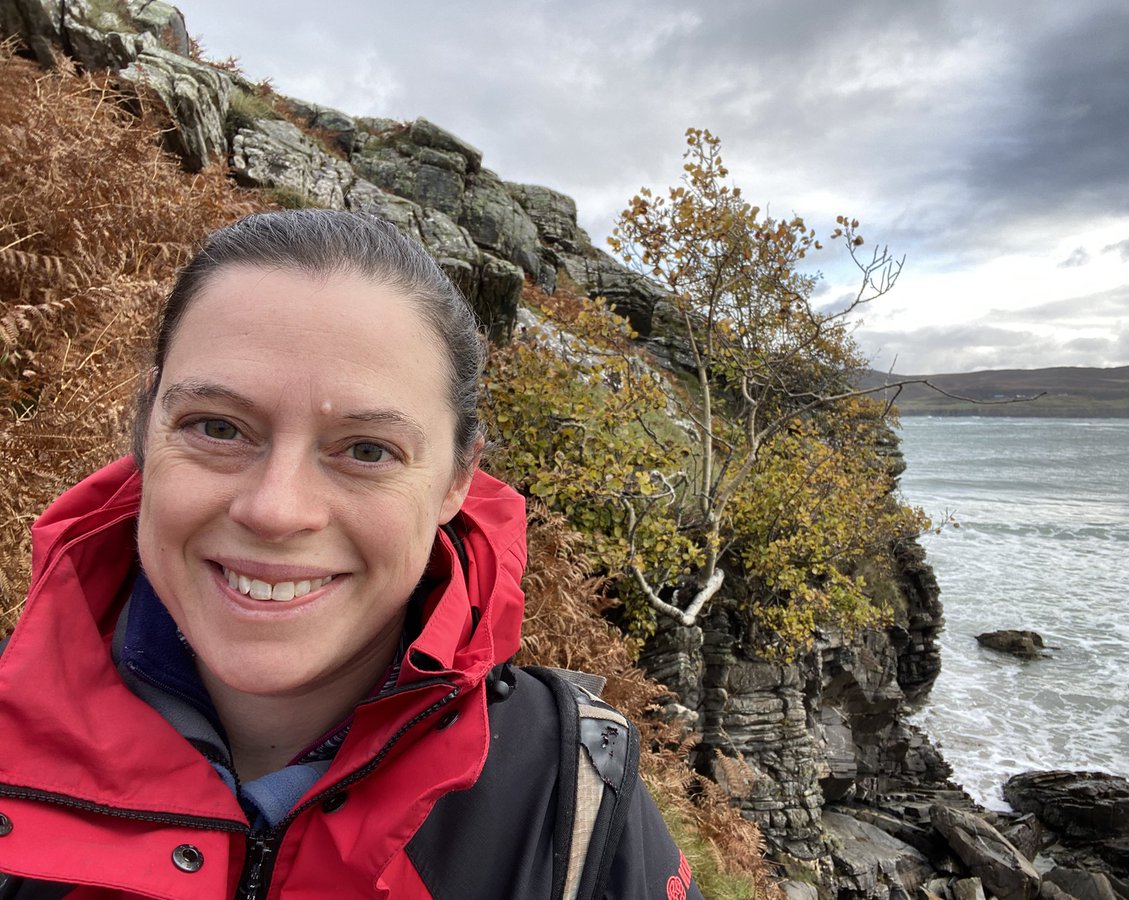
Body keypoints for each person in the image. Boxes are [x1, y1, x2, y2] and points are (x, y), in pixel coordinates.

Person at [0, 211, 703, 899]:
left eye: (368, 450)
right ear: (146, 429)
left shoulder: (568, 800)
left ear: (458, 479)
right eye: (218, 427)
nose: (276, 510)